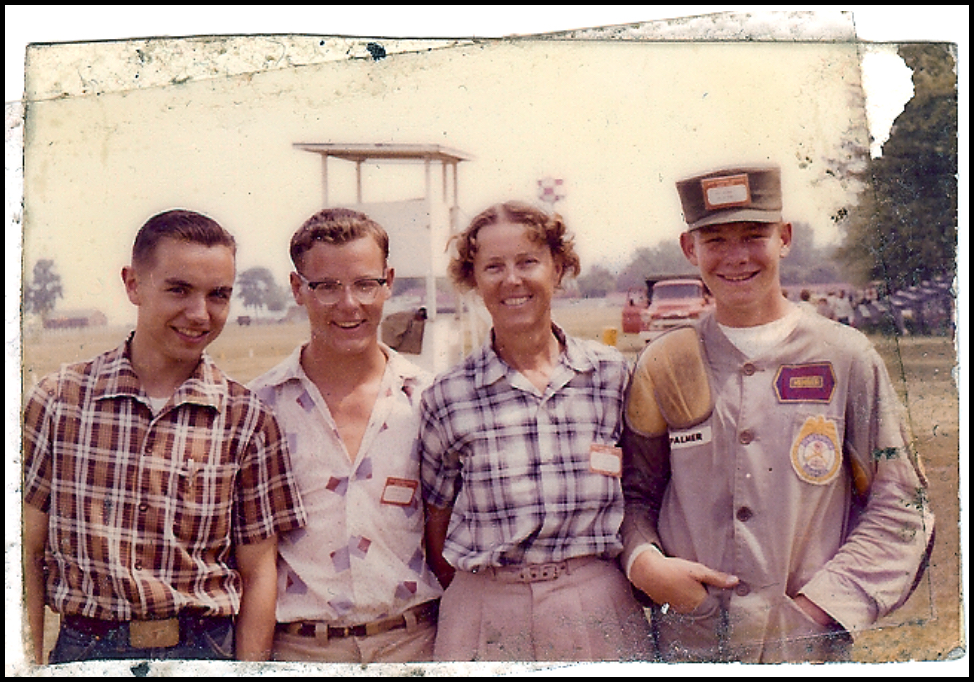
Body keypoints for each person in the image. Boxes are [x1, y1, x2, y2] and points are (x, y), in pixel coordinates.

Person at [620, 165, 935, 663]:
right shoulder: (664, 363)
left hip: (805, 649)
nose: (736, 257)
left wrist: (821, 605)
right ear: (689, 248)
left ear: (784, 238)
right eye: (715, 240)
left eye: (753, 236)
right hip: (691, 644)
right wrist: (645, 563)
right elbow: (634, 495)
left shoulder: (845, 356)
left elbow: (902, 504)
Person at [22, 209, 307, 665]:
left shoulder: (247, 419)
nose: (199, 313)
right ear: (133, 284)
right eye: (178, 289)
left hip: (204, 650)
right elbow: (25, 553)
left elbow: (259, 575)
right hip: (85, 649)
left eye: (218, 295)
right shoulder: (59, 402)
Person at [419, 201, 653, 662]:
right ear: (473, 279)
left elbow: (642, 489)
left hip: (596, 604)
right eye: (493, 267)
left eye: (528, 262)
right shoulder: (447, 396)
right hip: (486, 610)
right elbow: (435, 525)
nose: (512, 280)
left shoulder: (611, 376)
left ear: (558, 268)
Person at [248, 208, 442, 663]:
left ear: (388, 281)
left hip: (414, 646)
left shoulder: (429, 400)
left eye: (364, 284)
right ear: (298, 288)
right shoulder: (260, 407)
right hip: (300, 651)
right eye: (327, 287)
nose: (349, 304)